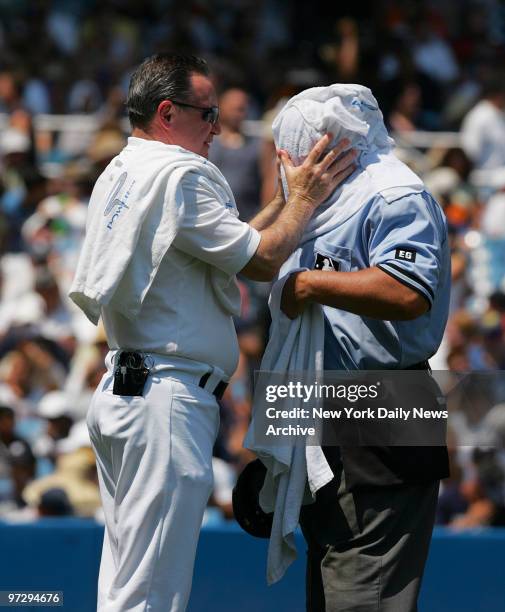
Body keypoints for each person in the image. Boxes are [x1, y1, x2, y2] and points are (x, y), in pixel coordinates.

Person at [69, 53, 356, 612]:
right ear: (168, 112)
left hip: (127, 393)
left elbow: (223, 245)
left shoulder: (125, 171)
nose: (217, 129)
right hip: (166, 400)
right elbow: (259, 261)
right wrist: (304, 198)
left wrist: (279, 201)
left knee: (127, 581)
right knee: (151, 591)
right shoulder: (182, 174)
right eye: (207, 114)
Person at [270, 84, 450, 611]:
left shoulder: (393, 192)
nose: (285, 164)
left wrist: (307, 284)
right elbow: (250, 255)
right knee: (330, 590)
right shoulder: (324, 200)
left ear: (315, 146)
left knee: (362, 597)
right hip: (323, 401)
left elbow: (407, 291)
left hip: (384, 399)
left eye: (288, 150)